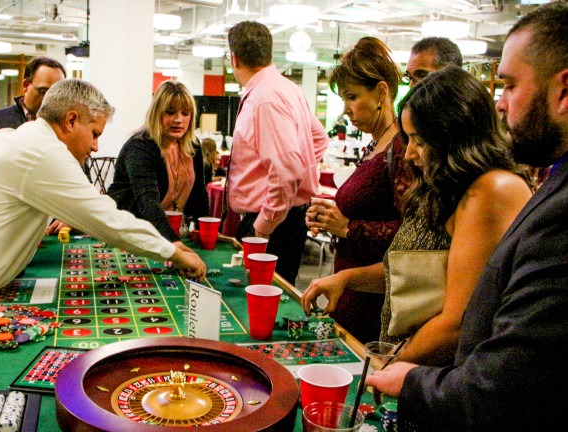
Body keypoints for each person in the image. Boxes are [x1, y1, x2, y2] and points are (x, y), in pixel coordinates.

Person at [367, 3, 568, 432]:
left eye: (509, 85)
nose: (499, 103)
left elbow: (501, 384)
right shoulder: (551, 183)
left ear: (564, 90)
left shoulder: (520, 196)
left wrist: (402, 378)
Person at [0, 79, 206, 352]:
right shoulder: (42, 152)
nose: (95, 147)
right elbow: (107, 220)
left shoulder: (29, 139)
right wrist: (173, 252)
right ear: (71, 121)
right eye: (94, 133)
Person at [302, 66, 532, 366]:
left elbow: (457, 324)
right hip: (414, 367)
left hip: (439, 377)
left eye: (419, 140)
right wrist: (346, 279)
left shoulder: (491, 191)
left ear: (455, 135)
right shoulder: (443, 188)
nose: (409, 154)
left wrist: (387, 366)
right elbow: (413, 273)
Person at [305, 37, 411, 343]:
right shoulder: (375, 144)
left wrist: (349, 228)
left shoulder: (402, 147)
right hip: (351, 289)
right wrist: (331, 220)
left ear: (381, 92)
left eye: (352, 97)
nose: (346, 110)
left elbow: (412, 239)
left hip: (374, 300)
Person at [226, 21, 328, 285]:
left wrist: (263, 225)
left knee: (262, 306)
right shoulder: (288, 89)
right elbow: (318, 138)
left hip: (270, 224)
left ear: (234, 59)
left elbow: (287, 171)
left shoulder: (265, 98)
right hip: (284, 218)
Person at [107, 81, 209, 243]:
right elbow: (148, 203)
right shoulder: (140, 146)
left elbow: (199, 193)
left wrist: (204, 232)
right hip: (131, 231)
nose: (178, 120)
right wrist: (174, 245)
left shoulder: (193, 145)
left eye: (185, 113)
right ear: (156, 113)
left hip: (170, 232)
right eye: (170, 112)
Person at [0, 56, 66, 156]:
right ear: (25, 85)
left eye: (58, 94)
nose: (50, 99)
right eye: (43, 91)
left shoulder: (67, 127)